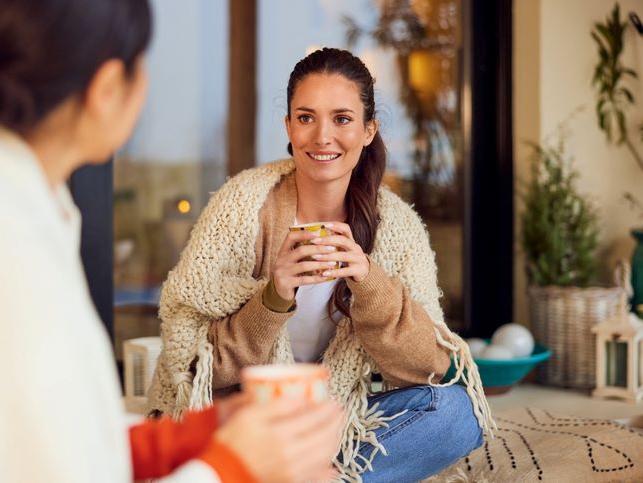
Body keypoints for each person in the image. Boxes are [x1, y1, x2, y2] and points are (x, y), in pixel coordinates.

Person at [0, 1, 343, 482]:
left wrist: (190, 439)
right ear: (106, 89)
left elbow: (42, 446)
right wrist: (234, 468)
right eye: (143, 66)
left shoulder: (0, 195)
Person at [148, 47, 495, 482]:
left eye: (342, 119)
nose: (322, 137)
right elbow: (197, 374)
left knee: (456, 412)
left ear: (369, 130)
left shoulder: (398, 228)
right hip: (243, 417)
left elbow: (431, 368)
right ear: (289, 126)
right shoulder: (242, 206)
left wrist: (369, 282)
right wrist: (272, 298)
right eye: (306, 117)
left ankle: (320, 477)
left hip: (333, 424)